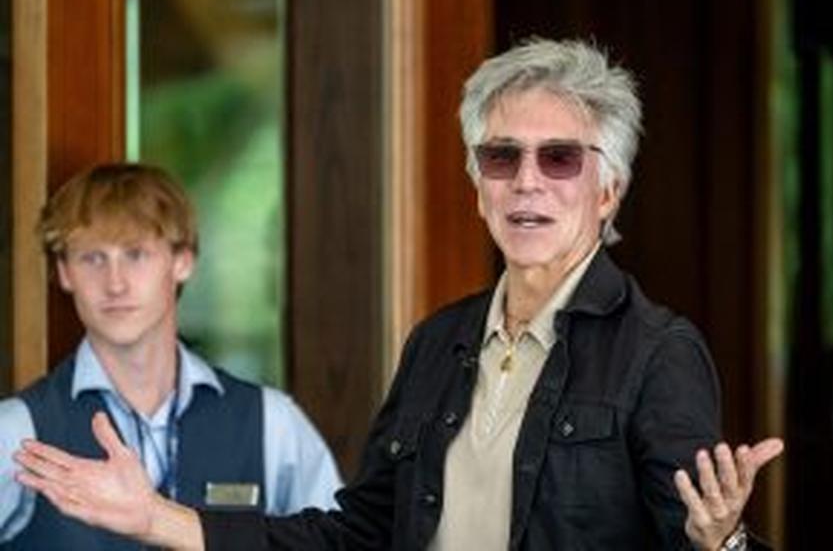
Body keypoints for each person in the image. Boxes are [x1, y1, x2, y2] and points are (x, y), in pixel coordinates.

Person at [13, 39, 783, 550]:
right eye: (501, 157)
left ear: (607, 188)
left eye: (559, 159)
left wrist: (722, 542)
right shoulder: (439, 342)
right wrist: (157, 517)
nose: (527, 182)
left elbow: (697, 534)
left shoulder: (656, 351)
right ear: (477, 185)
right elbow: (358, 536)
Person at [0, 163, 342, 549]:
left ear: (183, 260)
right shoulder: (16, 432)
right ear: (64, 272)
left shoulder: (272, 423)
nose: (115, 283)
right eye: (92, 258)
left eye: (136, 254)